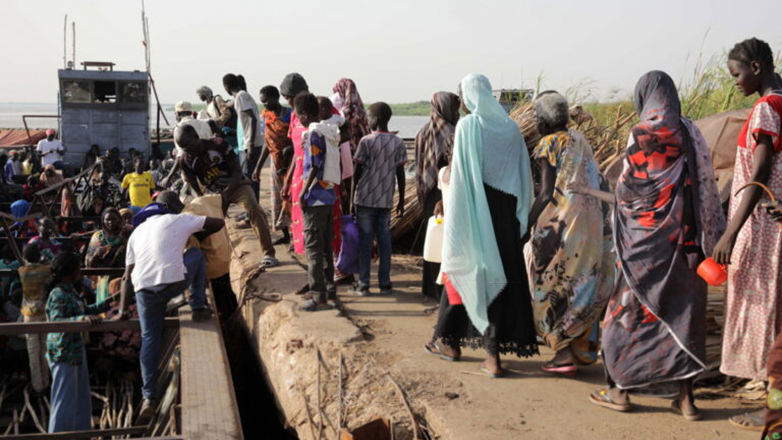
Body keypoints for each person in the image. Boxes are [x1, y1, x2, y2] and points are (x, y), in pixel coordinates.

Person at [587, 71, 724, 421]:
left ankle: (620, 390)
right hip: (686, 247)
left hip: (642, 251)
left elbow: (627, 194)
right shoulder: (690, 132)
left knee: (626, 315)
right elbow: (703, 184)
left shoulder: (642, 134)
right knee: (684, 318)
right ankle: (686, 400)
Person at [425, 74, 538, 377]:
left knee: (468, 270)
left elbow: (461, 177)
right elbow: (522, 174)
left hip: (477, 210)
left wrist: (456, 217)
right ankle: (454, 342)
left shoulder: (469, 126)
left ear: (470, 96)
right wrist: (522, 215)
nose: (462, 102)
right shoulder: (511, 128)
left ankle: (487, 356)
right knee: (502, 278)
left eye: (463, 96)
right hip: (507, 214)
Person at [710, 38, 782, 431]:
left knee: (762, 314)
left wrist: (731, 233)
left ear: (756, 67)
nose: (735, 82)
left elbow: (760, 172)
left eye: (737, 74)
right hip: (775, 222)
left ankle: (773, 412)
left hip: (763, 228)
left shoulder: (766, 108)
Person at [526, 91, 614, 374]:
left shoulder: (549, 143)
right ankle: (581, 349)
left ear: (543, 120)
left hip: (562, 227)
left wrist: (525, 225)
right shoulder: (579, 139)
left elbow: (547, 193)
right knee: (582, 283)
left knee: (554, 285)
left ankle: (563, 353)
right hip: (589, 224)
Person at [117, 191, 224, 422]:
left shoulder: (137, 232)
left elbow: (126, 277)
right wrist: (198, 233)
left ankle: (148, 397)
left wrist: (122, 310)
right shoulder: (180, 219)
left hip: (143, 291)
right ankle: (197, 306)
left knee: (150, 338)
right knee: (196, 254)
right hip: (173, 283)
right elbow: (219, 223)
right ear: (170, 207)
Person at [176, 125, 279, 267]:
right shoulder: (185, 161)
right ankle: (209, 262)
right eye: (182, 146)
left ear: (196, 137)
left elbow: (237, 172)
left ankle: (269, 253)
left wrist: (226, 193)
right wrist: (205, 202)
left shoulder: (218, 145)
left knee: (253, 208)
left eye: (187, 144)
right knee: (208, 224)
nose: (186, 149)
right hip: (214, 193)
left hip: (237, 185)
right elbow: (195, 187)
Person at [47, 251, 112, 432]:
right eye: (78, 268)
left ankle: (81, 432)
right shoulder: (57, 294)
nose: (81, 271)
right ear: (71, 271)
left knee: (80, 397)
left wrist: (109, 302)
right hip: (63, 352)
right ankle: (58, 435)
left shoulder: (71, 291)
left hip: (76, 350)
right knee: (63, 400)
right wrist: (81, 320)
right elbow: (56, 321)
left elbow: (84, 310)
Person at [352, 102, 406, 296]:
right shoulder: (398, 142)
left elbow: (357, 172)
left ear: (375, 119)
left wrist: (351, 199)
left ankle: (364, 284)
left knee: (365, 243)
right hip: (385, 200)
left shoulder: (366, 141)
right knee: (384, 242)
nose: (367, 120)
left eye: (369, 117)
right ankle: (385, 283)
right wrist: (401, 199)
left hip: (365, 199)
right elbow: (400, 173)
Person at [414, 92, 460, 300]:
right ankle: (444, 289)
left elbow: (419, 166)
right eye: (455, 109)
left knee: (432, 238)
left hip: (428, 191)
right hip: (446, 192)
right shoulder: (453, 132)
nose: (457, 113)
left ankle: (429, 287)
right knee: (447, 240)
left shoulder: (422, 132)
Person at [295, 93, 338, 311]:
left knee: (313, 248)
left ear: (303, 114)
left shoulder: (313, 134)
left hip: (315, 198)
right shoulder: (327, 130)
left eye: (297, 116)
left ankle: (318, 296)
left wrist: (302, 193)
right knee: (326, 247)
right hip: (329, 195)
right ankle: (329, 288)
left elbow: (315, 165)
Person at [253, 85, 294, 244]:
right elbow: (267, 142)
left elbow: (295, 139)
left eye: (266, 101)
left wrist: (287, 153)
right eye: (262, 102)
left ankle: (296, 235)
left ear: (276, 97)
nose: (264, 104)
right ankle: (285, 234)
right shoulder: (266, 116)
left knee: (291, 198)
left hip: (291, 163)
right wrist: (258, 167)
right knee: (277, 199)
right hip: (275, 164)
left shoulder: (290, 115)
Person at [280, 73, 311, 255]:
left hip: (315, 173)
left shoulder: (317, 110)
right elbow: (295, 150)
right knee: (298, 210)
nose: (288, 102)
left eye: (289, 98)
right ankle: (301, 246)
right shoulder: (294, 115)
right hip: (298, 173)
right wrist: (288, 179)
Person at [224, 74, 264, 198]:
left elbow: (252, 119)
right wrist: (228, 105)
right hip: (246, 144)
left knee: (248, 179)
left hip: (248, 144)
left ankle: (252, 206)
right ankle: (253, 205)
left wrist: (250, 144)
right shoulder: (241, 97)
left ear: (226, 87)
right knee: (250, 178)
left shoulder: (241, 96)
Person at [19, 243, 51, 395]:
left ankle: (37, 385)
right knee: (44, 348)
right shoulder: (46, 271)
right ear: (39, 256)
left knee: (33, 350)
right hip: (44, 312)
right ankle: (46, 380)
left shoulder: (22, 271)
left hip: (29, 315)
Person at [86, 208, 128, 303]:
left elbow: (132, 253)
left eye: (114, 219)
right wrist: (96, 254)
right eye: (107, 219)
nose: (110, 222)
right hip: (104, 277)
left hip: (122, 275)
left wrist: (124, 239)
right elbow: (89, 263)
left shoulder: (125, 234)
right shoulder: (98, 236)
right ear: (103, 221)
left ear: (119, 220)